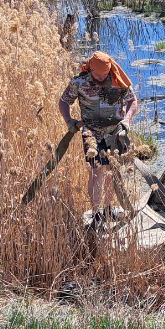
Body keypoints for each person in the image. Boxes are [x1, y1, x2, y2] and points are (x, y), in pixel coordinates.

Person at [58, 50, 139, 223]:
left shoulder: (118, 79)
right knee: (96, 172)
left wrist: (127, 120)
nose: (102, 78)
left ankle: (109, 209)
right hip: (92, 133)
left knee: (111, 172)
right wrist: (69, 121)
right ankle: (96, 214)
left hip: (115, 132)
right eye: (98, 75)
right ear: (90, 69)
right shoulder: (79, 82)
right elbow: (64, 101)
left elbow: (133, 101)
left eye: (105, 74)